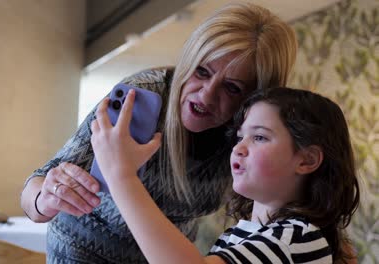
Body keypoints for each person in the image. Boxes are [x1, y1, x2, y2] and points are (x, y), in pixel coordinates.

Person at [21, 3, 297, 263]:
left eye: (232, 88)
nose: (206, 94)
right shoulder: (140, 97)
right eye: (201, 71)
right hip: (81, 251)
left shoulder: (248, 138)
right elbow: (36, 187)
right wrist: (45, 199)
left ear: (254, 99)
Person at [91, 87, 360, 263]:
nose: (239, 148)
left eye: (259, 137)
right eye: (241, 136)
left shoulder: (296, 238)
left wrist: (122, 177)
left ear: (307, 159)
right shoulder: (240, 237)